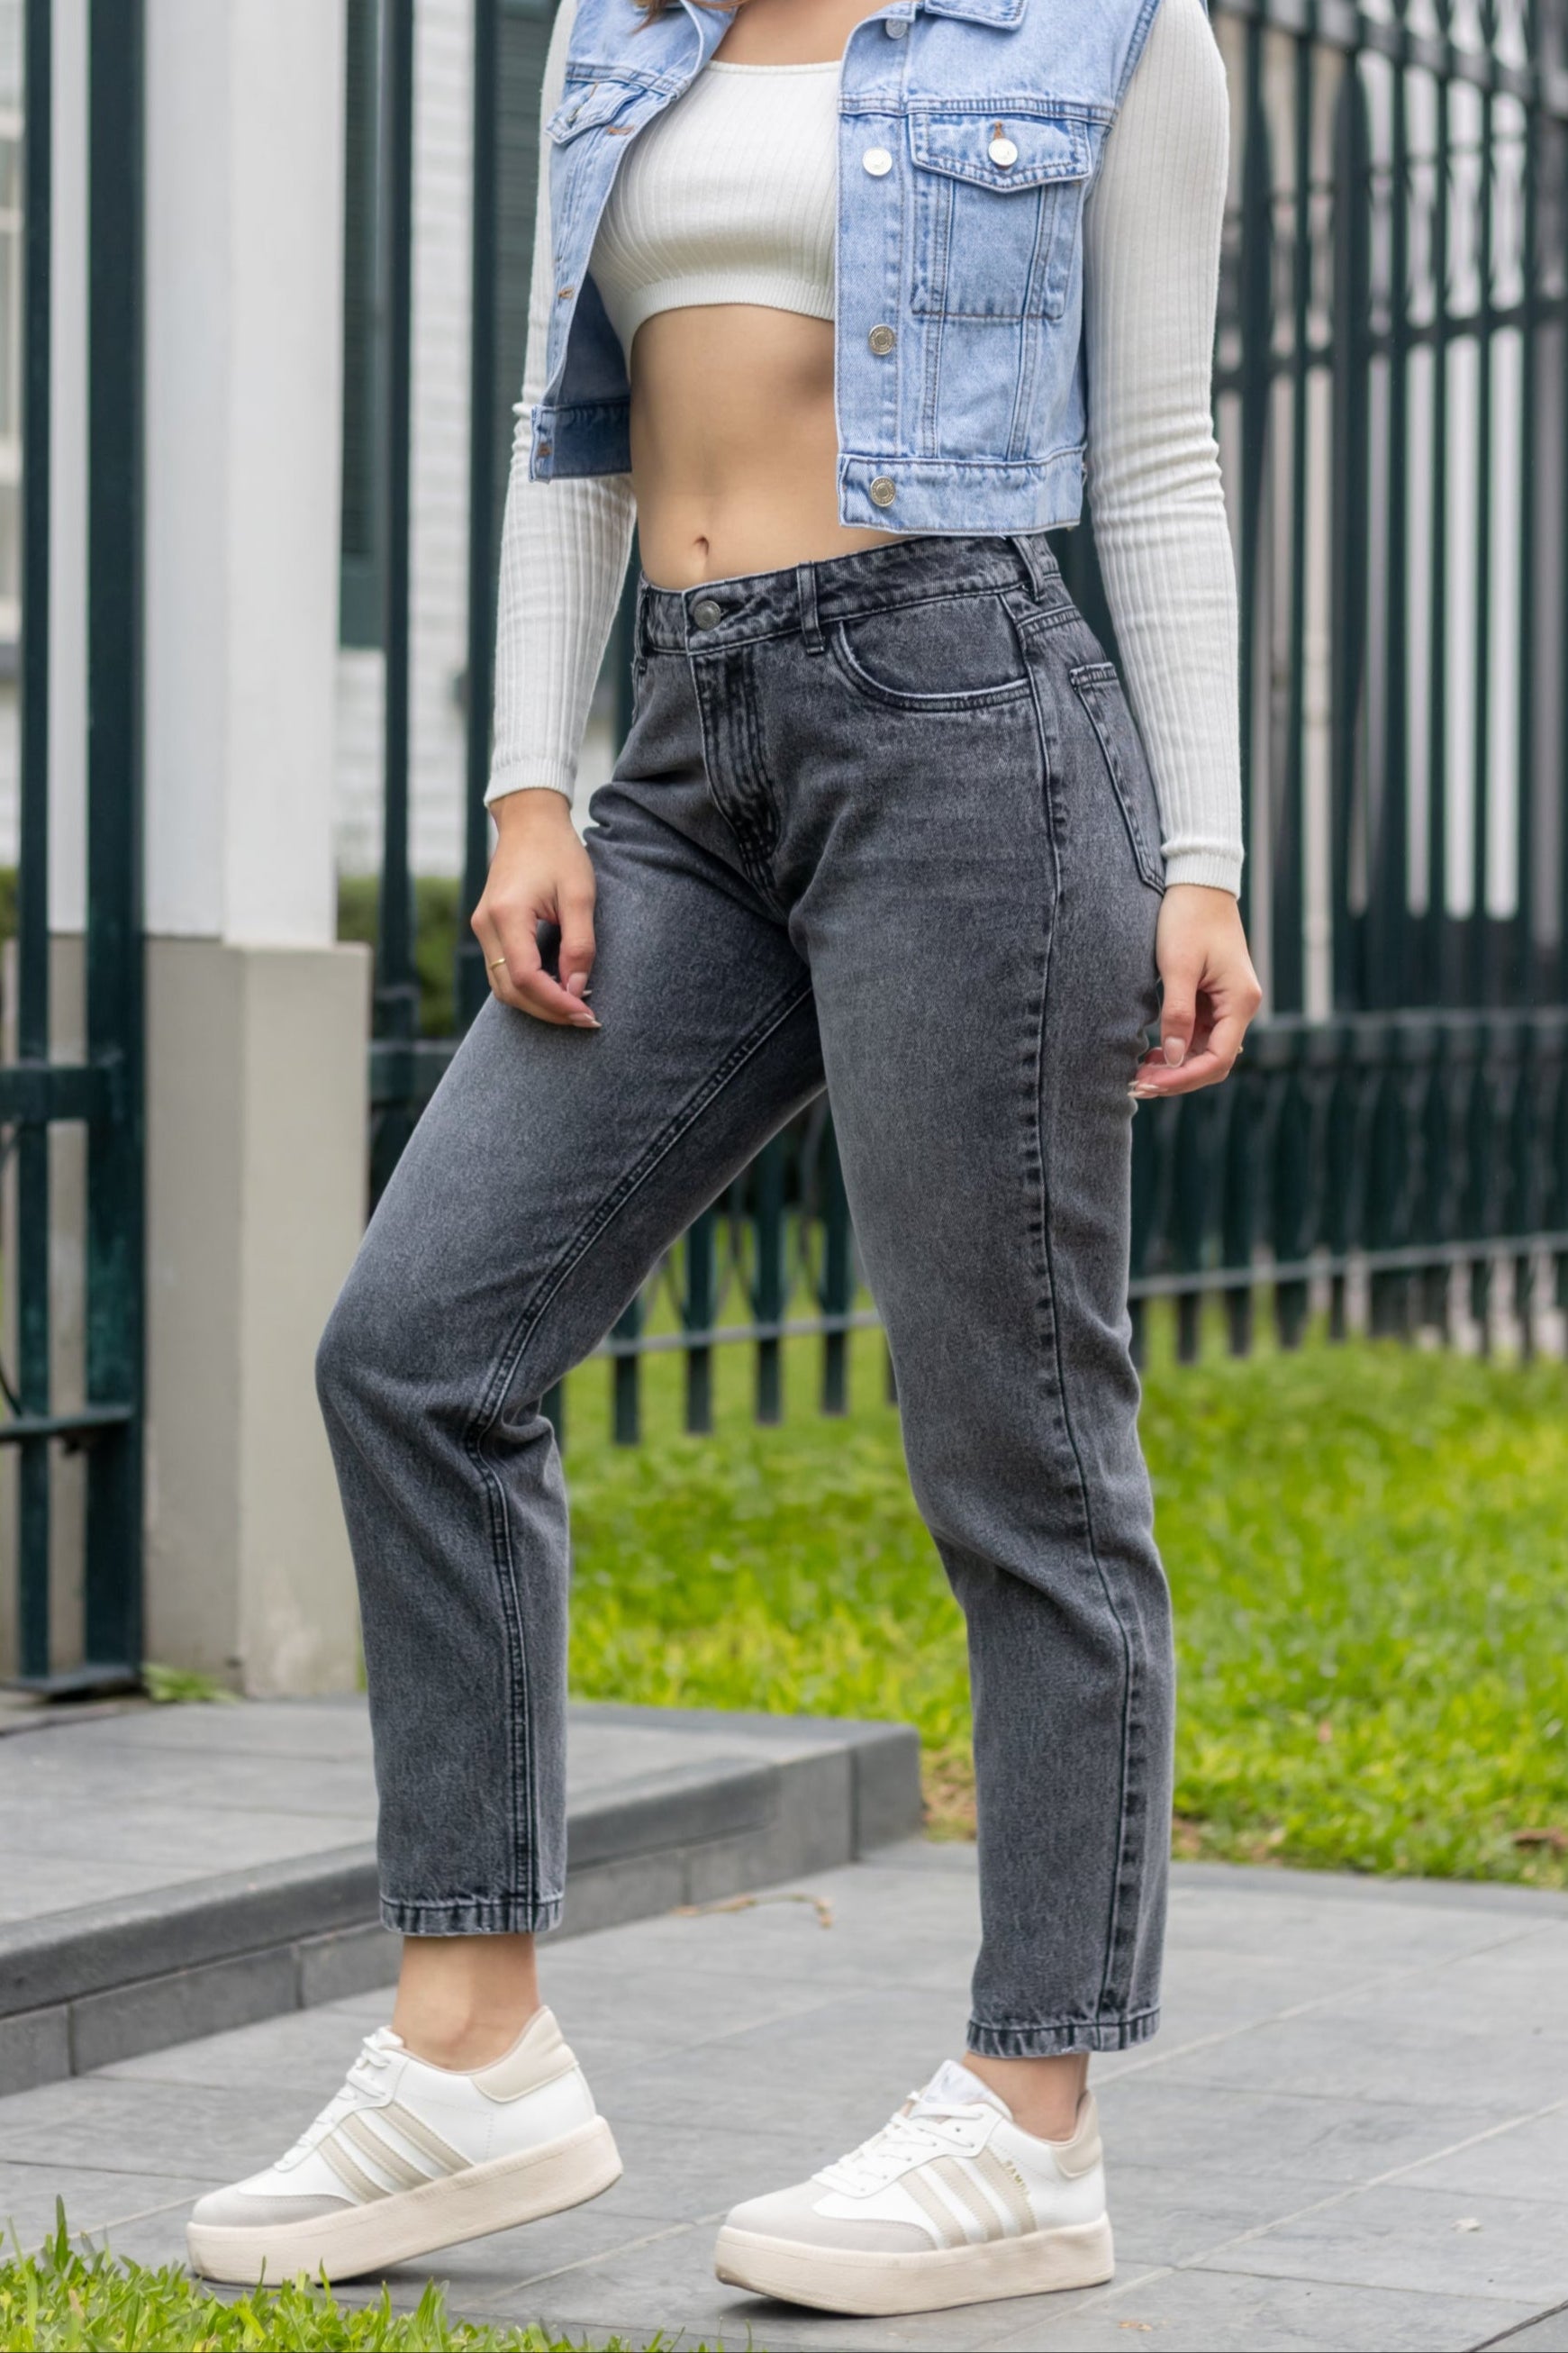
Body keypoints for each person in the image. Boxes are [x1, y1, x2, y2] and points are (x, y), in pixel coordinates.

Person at [187, 0, 1260, 2316]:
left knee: (1019, 1443)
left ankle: (1033, 2114)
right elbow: (568, 427)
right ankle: (472, 2053)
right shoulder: (625, 26)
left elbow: (1159, 453)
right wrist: (529, 786)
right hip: (688, 755)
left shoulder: (1115, 27)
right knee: (417, 1347)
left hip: (970, 727)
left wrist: (1206, 856)